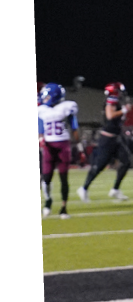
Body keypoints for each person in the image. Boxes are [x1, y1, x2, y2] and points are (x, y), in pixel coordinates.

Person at [78, 83, 133, 202]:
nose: (121, 94)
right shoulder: (111, 100)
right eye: (119, 91)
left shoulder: (114, 101)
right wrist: (123, 110)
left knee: (127, 161)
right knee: (99, 166)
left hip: (117, 138)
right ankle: (84, 188)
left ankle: (115, 190)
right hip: (107, 140)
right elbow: (110, 116)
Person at [38, 83, 79, 218]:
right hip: (49, 146)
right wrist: (40, 139)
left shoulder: (67, 107)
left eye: (47, 95)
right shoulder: (42, 110)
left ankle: (63, 208)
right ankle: (48, 202)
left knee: (63, 177)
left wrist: (78, 145)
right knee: (46, 177)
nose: (44, 98)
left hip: (63, 145)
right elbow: (40, 130)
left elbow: (74, 127)